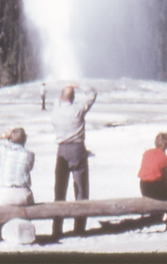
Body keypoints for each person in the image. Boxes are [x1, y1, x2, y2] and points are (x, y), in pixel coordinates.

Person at [51, 84, 97, 238]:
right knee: (81, 189)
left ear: (60, 97)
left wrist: (65, 89)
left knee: (60, 190)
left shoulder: (55, 112)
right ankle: (79, 227)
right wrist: (79, 85)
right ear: (73, 98)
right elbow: (92, 94)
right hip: (78, 150)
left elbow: (58, 101)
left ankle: (57, 228)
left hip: (62, 150)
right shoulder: (78, 110)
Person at [0, 127, 35, 245]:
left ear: (11, 139)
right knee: (29, 198)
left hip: (6, 194)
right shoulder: (29, 155)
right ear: (25, 140)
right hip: (22, 195)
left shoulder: (5, 151)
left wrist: (4, 135)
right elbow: (29, 169)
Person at [138, 132, 167, 201]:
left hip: (144, 187)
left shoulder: (146, 153)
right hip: (156, 188)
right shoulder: (166, 159)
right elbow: (164, 178)